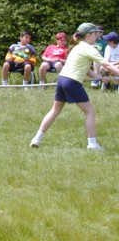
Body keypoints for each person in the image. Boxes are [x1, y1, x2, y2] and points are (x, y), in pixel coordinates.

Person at [30, 23, 119, 151]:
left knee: (55, 110)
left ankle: (36, 139)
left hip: (62, 79)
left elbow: (87, 69)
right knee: (90, 111)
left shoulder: (77, 48)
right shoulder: (89, 49)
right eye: (95, 34)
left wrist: (99, 78)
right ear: (88, 35)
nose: (97, 36)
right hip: (72, 82)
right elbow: (108, 66)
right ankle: (92, 144)